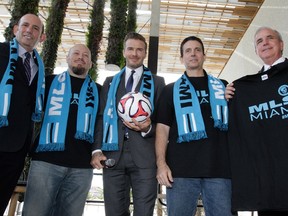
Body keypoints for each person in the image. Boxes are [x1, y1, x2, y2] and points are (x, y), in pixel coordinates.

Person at [155, 36, 234, 216]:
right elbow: (162, 129)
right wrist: (161, 164)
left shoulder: (222, 86)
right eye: (188, 51)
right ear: (182, 58)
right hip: (181, 171)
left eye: (197, 50)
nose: (193, 54)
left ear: (204, 55)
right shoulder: (170, 90)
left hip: (219, 169)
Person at [90, 32, 165, 216]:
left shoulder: (157, 82)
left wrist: (148, 127)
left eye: (139, 49)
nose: (134, 53)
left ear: (145, 53)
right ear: (124, 52)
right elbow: (101, 117)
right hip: (113, 155)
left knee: (144, 212)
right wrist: (97, 149)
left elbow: (164, 123)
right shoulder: (109, 82)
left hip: (145, 157)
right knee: (114, 212)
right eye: (130, 49)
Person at [22, 44, 100, 216]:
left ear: (91, 64)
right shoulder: (47, 83)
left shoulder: (99, 91)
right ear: (67, 58)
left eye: (85, 55)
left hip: (82, 167)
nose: (81, 57)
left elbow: (101, 127)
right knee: (34, 213)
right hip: (46, 162)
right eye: (76, 53)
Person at [225, 27, 288, 216]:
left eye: (270, 38)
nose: (265, 43)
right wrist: (230, 99)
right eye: (259, 41)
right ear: (256, 51)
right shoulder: (244, 89)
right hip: (268, 188)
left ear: (281, 44)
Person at [0, 13, 46, 214]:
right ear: (15, 29)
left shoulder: (39, 66)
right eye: (25, 25)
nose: (30, 30)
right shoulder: (0, 52)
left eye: (36, 28)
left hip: (16, 148)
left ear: (41, 37)